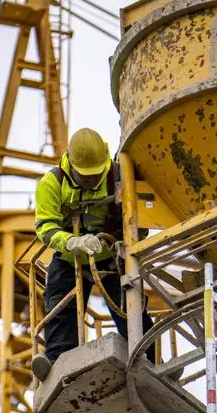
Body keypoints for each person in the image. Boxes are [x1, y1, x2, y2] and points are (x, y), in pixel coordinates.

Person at [31, 128, 154, 381]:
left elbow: (143, 213)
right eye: (85, 176)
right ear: (70, 165)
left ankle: (151, 360)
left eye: (96, 175)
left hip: (110, 255)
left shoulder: (120, 173)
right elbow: (45, 228)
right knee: (59, 299)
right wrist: (73, 242)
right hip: (71, 256)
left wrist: (129, 242)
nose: (91, 180)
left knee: (129, 303)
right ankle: (55, 361)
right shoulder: (52, 183)